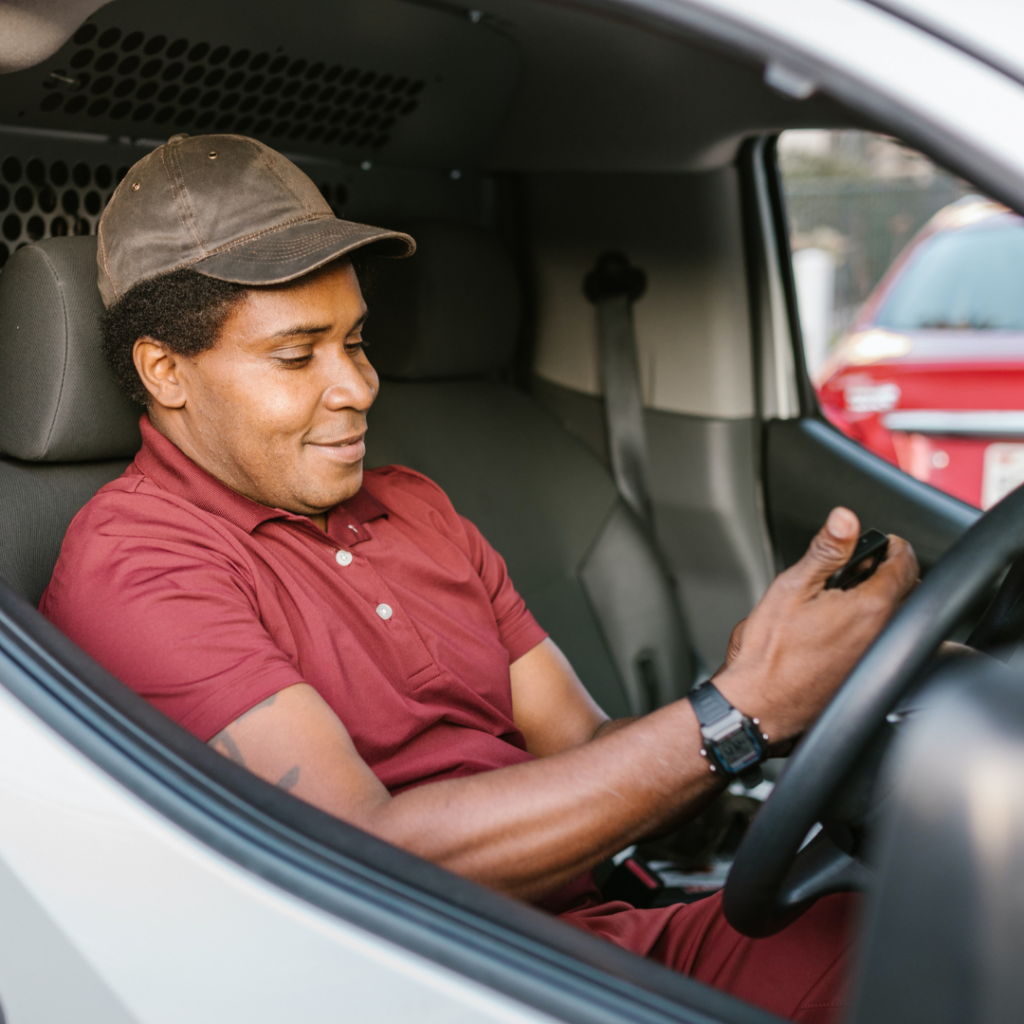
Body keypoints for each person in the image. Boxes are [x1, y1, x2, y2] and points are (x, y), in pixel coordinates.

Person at [41, 134, 919, 1023]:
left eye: (356, 340)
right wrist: (740, 710)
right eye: (299, 356)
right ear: (165, 371)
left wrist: (776, 680)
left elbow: (583, 750)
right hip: (435, 980)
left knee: (937, 914)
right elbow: (361, 864)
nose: (358, 386)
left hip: (582, 934)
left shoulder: (414, 506)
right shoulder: (141, 565)